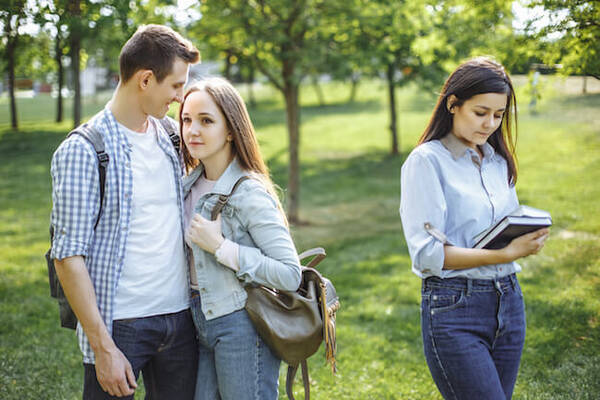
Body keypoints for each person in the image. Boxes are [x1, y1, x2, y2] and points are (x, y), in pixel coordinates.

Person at [50, 25, 200, 399]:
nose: (181, 98)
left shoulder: (170, 135)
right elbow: (68, 256)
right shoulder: (83, 150)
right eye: (176, 86)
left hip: (180, 319)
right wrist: (103, 348)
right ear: (146, 80)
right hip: (120, 326)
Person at [399, 57, 549, 400]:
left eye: (498, 115)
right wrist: (504, 253)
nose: (491, 124)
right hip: (455, 307)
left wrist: (525, 235)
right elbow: (427, 255)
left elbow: (503, 224)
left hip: (509, 301)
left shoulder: (496, 161)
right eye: (481, 113)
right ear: (453, 104)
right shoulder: (426, 162)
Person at [179, 77, 302, 400]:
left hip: (240, 325)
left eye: (206, 121)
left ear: (231, 129)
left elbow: (290, 273)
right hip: (198, 321)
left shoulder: (248, 193)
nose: (193, 130)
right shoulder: (186, 187)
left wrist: (221, 248)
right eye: (187, 120)